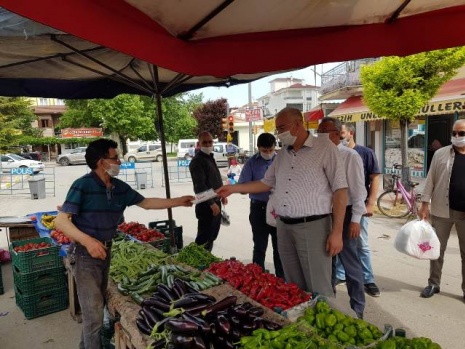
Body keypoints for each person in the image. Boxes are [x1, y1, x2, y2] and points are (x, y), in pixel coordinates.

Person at [54, 138, 193, 349]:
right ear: (102, 162)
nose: (119, 161)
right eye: (115, 158)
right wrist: (88, 241)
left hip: (105, 252)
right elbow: (61, 220)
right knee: (93, 315)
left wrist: (177, 202)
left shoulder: (118, 187)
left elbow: (146, 203)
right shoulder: (82, 185)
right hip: (84, 256)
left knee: (95, 310)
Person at [217, 107, 348, 296]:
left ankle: (322, 323)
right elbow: (265, 183)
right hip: (283, 227)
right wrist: (233, 188)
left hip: (313, 227)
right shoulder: (284, 154)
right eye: (277, 129)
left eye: (281, 128)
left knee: (318, 287)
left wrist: (337, 232)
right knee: (293, 286)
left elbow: (340, 190)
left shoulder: (325, 148)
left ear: (297, 124)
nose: (279, 133)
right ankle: (300, 322)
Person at [318, 117, 367, 318]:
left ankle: (358, 310)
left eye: (325, 131)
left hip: (346, 216)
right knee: (326, 262)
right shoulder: (318, 154)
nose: (320, 135)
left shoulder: (350, 156)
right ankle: (328, 304)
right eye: (318, 130)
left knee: (350, 264)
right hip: (322, 215)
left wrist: (356, 219)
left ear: (338, 134)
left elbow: (358, 190)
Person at [418, 119, 465, 299]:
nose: (457, 137)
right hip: (441, 210)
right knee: (436, 250)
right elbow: (431, 179)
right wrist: (424, 204)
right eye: (454, 133)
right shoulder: (440, 154)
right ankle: (433, 284)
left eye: (462, 133)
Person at [337, 122, 382, 297]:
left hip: (358, 206)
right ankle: (341, 274)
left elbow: (375, 178)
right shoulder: (336, 154)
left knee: (360, 243)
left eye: (342, 133)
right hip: (340, 207)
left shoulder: (365, 153)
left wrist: (370, 203)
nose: (340, 137)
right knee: (343, 242)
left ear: (351, 133)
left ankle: (368, 279)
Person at [238, 133, 284, 279]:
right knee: (259, 246)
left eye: (271, 150)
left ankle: (281, 280)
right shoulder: (251, 163)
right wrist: (262, 187)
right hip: (259, 208)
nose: (268, 154)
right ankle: (257, 278)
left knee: (280, 248)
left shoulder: (282, 160)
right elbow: (242, 188)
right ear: (258, 148)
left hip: (279, 209)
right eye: (265, 151)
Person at [189, 131, 227, 251]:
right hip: (206, 205)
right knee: (203, 239)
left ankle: (205, 262)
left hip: (215, 201)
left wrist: (222, 194)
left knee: (211, 236)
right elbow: (200, 186)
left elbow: (215, 179)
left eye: (210, 142)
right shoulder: (197, 161)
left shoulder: (210, 157)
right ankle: (197, 265)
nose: (207, 144)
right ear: (199, 144)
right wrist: (211, 203)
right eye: (204, 142)